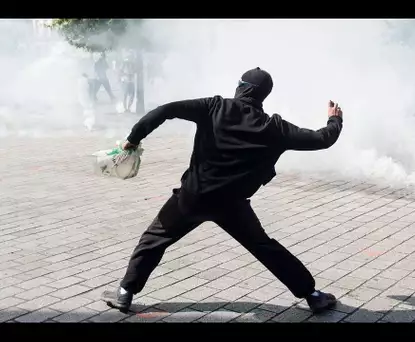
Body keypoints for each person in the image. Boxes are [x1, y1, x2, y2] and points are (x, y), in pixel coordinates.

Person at [103, 67, 344, 315]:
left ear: (243, 87)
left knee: (153, 240)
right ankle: (312, 295)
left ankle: (125, 292)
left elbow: (165, 111)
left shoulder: (214, 107)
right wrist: (335, 119)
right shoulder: (274, 128)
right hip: (233, 205)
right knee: (266, 248)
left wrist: (132, 139)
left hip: (192, 198)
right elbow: (321, 139)